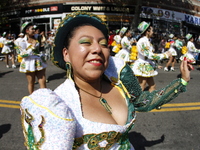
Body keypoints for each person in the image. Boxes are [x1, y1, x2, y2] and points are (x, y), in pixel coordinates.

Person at [20, 11, 193, 150]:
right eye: (85, 42)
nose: (97, 48)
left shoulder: (119, 79)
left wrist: (181, 82)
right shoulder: (58, 106)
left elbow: (142, 102)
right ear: (66, 54)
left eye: (103, 44)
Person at [130, 21, 171, 92]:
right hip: (143, 66)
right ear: (147, 32)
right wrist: (165, 55)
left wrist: (155, 65)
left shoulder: (146, 41)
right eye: (152, 30)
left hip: (146, 65)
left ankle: (149, 101)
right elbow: (149, 55)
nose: (153, 32)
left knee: (152, 86)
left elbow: (148, 58)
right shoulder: (142, 41)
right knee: (142, 86)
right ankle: (135, 102)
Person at [17, 22, 47, 94]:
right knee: (31, 82)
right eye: (32, 29)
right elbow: (22, 54)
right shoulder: (21, 41)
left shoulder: (37, 37)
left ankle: (45, 97)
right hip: (28, 62)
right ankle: (32, 99)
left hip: (38, 60)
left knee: (42, 79)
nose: (34, 30)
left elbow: (42, 41)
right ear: (27, 30)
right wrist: (32, 48)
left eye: (34, 29)